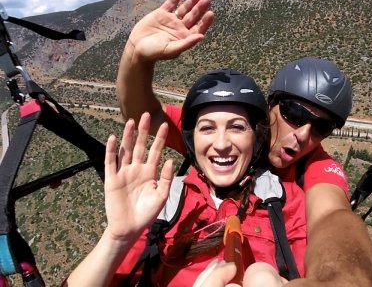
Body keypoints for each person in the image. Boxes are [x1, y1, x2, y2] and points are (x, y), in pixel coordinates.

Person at [116, 0, 372, 286]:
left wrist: (342, 279)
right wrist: (136, 55)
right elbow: (143, 116)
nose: (304, 134)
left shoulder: (314, 165)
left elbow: (333, 217)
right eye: (295, 114)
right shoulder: (230, 133)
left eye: (321, 127)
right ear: (271, 107)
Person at [66, 69, 306, 286]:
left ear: (255, 138)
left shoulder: (285, 201)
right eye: (207, 128)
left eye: (236, 127)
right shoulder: (164, 202)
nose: (221, 144)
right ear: (193, 141)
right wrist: (116, 237)